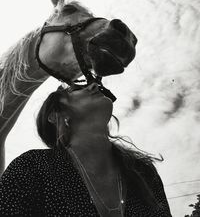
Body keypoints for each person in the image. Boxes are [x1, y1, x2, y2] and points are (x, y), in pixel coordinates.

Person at [0, 82, 172, 216]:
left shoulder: (143, 172)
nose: (95, 85)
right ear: (56, 115)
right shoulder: (32, 167)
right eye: (74, 89)